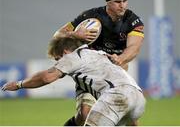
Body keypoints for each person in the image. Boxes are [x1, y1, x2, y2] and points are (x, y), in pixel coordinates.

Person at [53, 0, 144, 126]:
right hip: (91, 71)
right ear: (108, 2)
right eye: (117, 2)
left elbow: (134, 47)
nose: (122, 5)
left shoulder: (132, 20)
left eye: (124, 1)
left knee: (130, 119)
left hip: (116, 75)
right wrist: (75, 34)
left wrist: (120, 59)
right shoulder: (91, 16)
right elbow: (58, 35)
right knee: (84, 113)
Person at [1, 37, 146, 126]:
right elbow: (123, 66)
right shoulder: (99, 53)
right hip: (138, 97)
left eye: (58, 59)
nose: (59, 63)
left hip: (117, 95)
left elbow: (47, 77)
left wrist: (19, 84)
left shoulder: (73, 57)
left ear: (65, 52)